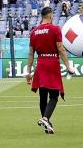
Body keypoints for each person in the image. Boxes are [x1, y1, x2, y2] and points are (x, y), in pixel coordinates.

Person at [25, 7, 76, 135]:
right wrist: (68, 65)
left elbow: (31, 54)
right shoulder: (55, 29)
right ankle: (46, 118)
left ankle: (47, 125)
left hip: (40, 64)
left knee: (43, 97)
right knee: (54, 96)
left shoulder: (34, 32)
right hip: (52, 63)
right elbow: (60, 48)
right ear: (51, 15)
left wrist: (28, 72)